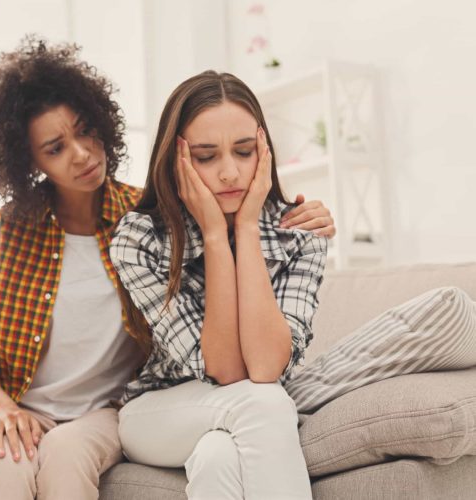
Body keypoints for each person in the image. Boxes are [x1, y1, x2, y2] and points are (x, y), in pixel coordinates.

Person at [0, 38, 336, 500]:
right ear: (29, 161)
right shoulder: (46, 231)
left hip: (107, 411)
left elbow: (259, 367)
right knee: (6, 464)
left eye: (86, 132)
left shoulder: (141, 213)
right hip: (62, 404)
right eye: (56, 147)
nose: (82, 154)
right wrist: (2, 410)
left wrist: (250, 226)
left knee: (200, 453)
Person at [110, 70, 327, 499]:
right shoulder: (139, 238)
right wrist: (213, 234)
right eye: (207, 157)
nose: (230, 172)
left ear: (264, 151)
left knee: (219, 456)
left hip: (242, 411)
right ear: (176, 161)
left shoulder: (300, 237)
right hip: (156, 412)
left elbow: (265, 368)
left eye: (244, 151)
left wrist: (246, 229)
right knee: (262, 404)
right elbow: (227, 370)